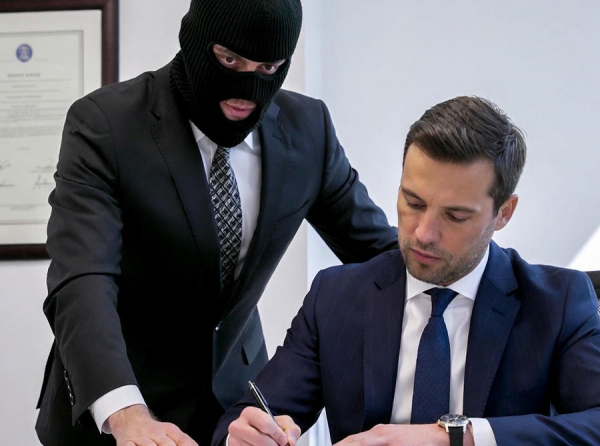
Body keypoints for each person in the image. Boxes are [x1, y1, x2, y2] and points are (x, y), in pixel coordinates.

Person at [34, 1, 398, 445]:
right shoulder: (106, 124)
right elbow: (83, 279)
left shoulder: (308, 130)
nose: (246, 89)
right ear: (193, 39)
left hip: (236, 412)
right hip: (117, 408)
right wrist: (126, 413)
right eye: (229, 60)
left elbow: (380, 257)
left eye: (268, 68)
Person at [212, 96, 600, 446]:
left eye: (455, 216)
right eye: (413, 203)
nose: (424, 234)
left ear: (504, 213)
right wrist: (245, 436)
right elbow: (245, 419)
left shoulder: (558, 302)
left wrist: (454, 437)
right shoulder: (336, 297)